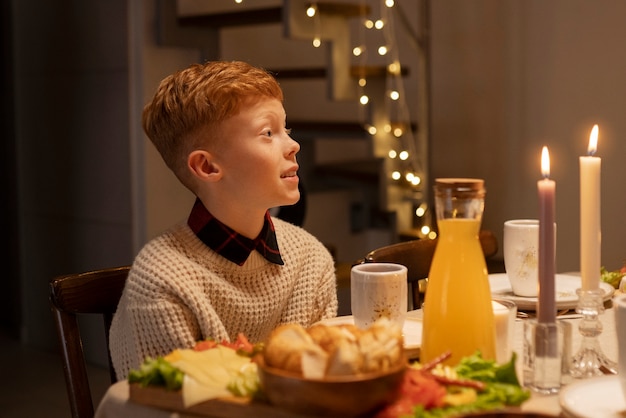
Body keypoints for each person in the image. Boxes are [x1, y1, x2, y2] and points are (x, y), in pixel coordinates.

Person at [109, 61, 338, 380]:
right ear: (206, 167)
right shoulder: (162, 281)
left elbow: (320, 381)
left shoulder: (310, 258)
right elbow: (169, 405)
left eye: (287, 129)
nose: (293, 145)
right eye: (268, 133)